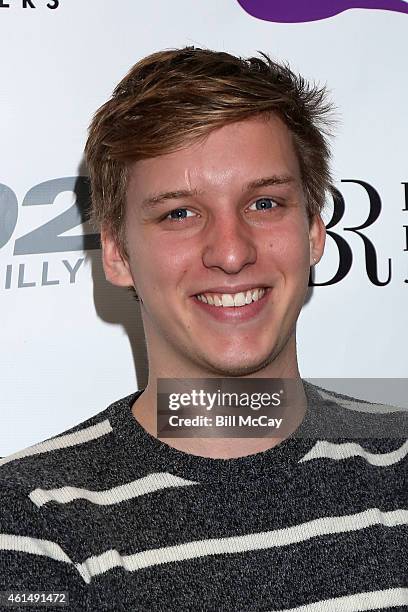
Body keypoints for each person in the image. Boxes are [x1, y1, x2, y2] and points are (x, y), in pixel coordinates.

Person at [0, 47, 407, 612]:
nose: (232, 252)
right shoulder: (31, 519)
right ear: (116, 254)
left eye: (264, 203)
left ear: (314, 232)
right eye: (180, 214)